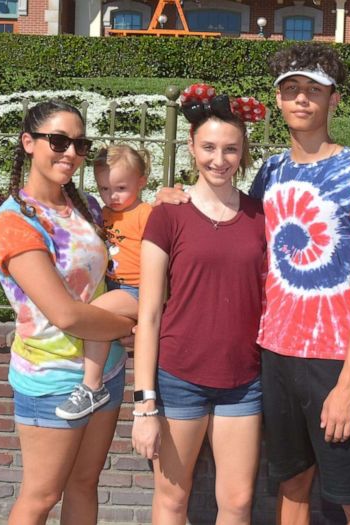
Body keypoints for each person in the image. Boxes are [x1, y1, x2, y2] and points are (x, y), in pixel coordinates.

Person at [155, 45, 350, 525]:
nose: (301, 99)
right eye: (291, 90)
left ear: (334, 100)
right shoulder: (270, 172)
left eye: (313, 90)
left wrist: (349, 383)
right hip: (274, 354)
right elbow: (228, 220)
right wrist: (173, 195)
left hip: (335, 359)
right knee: (292, 483)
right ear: (279, 100)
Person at [0, 100, 136, 524]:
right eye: (58, 141)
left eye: (79, 143)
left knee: (85, 484)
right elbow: (65, 315)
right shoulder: (14, 222)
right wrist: (133, 322)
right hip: (51, 378)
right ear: (28, 143)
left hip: (104, 370)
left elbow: (137, 231)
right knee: (41, 495)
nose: (70, 153)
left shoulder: (86, 205)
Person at [131, 83, 268, 524]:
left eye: (230, 149)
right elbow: (149, 315)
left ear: (243, 151)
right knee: (172, 500)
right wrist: (144, 404)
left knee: (238, 502)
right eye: (208, 147)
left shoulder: (260, 216)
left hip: (243, 379)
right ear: (191, 146)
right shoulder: (168, 214)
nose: (219, 159)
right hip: (179, 378)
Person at [55, 143, 152, 420]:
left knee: (94, 314)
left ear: (141, 182)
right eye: (105, 189)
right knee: (97, 316)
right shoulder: (102, 213)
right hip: (115, 286)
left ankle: (92, 385)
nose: (112, 196)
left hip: (137, 290)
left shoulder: (146, 214)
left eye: (121, 188)